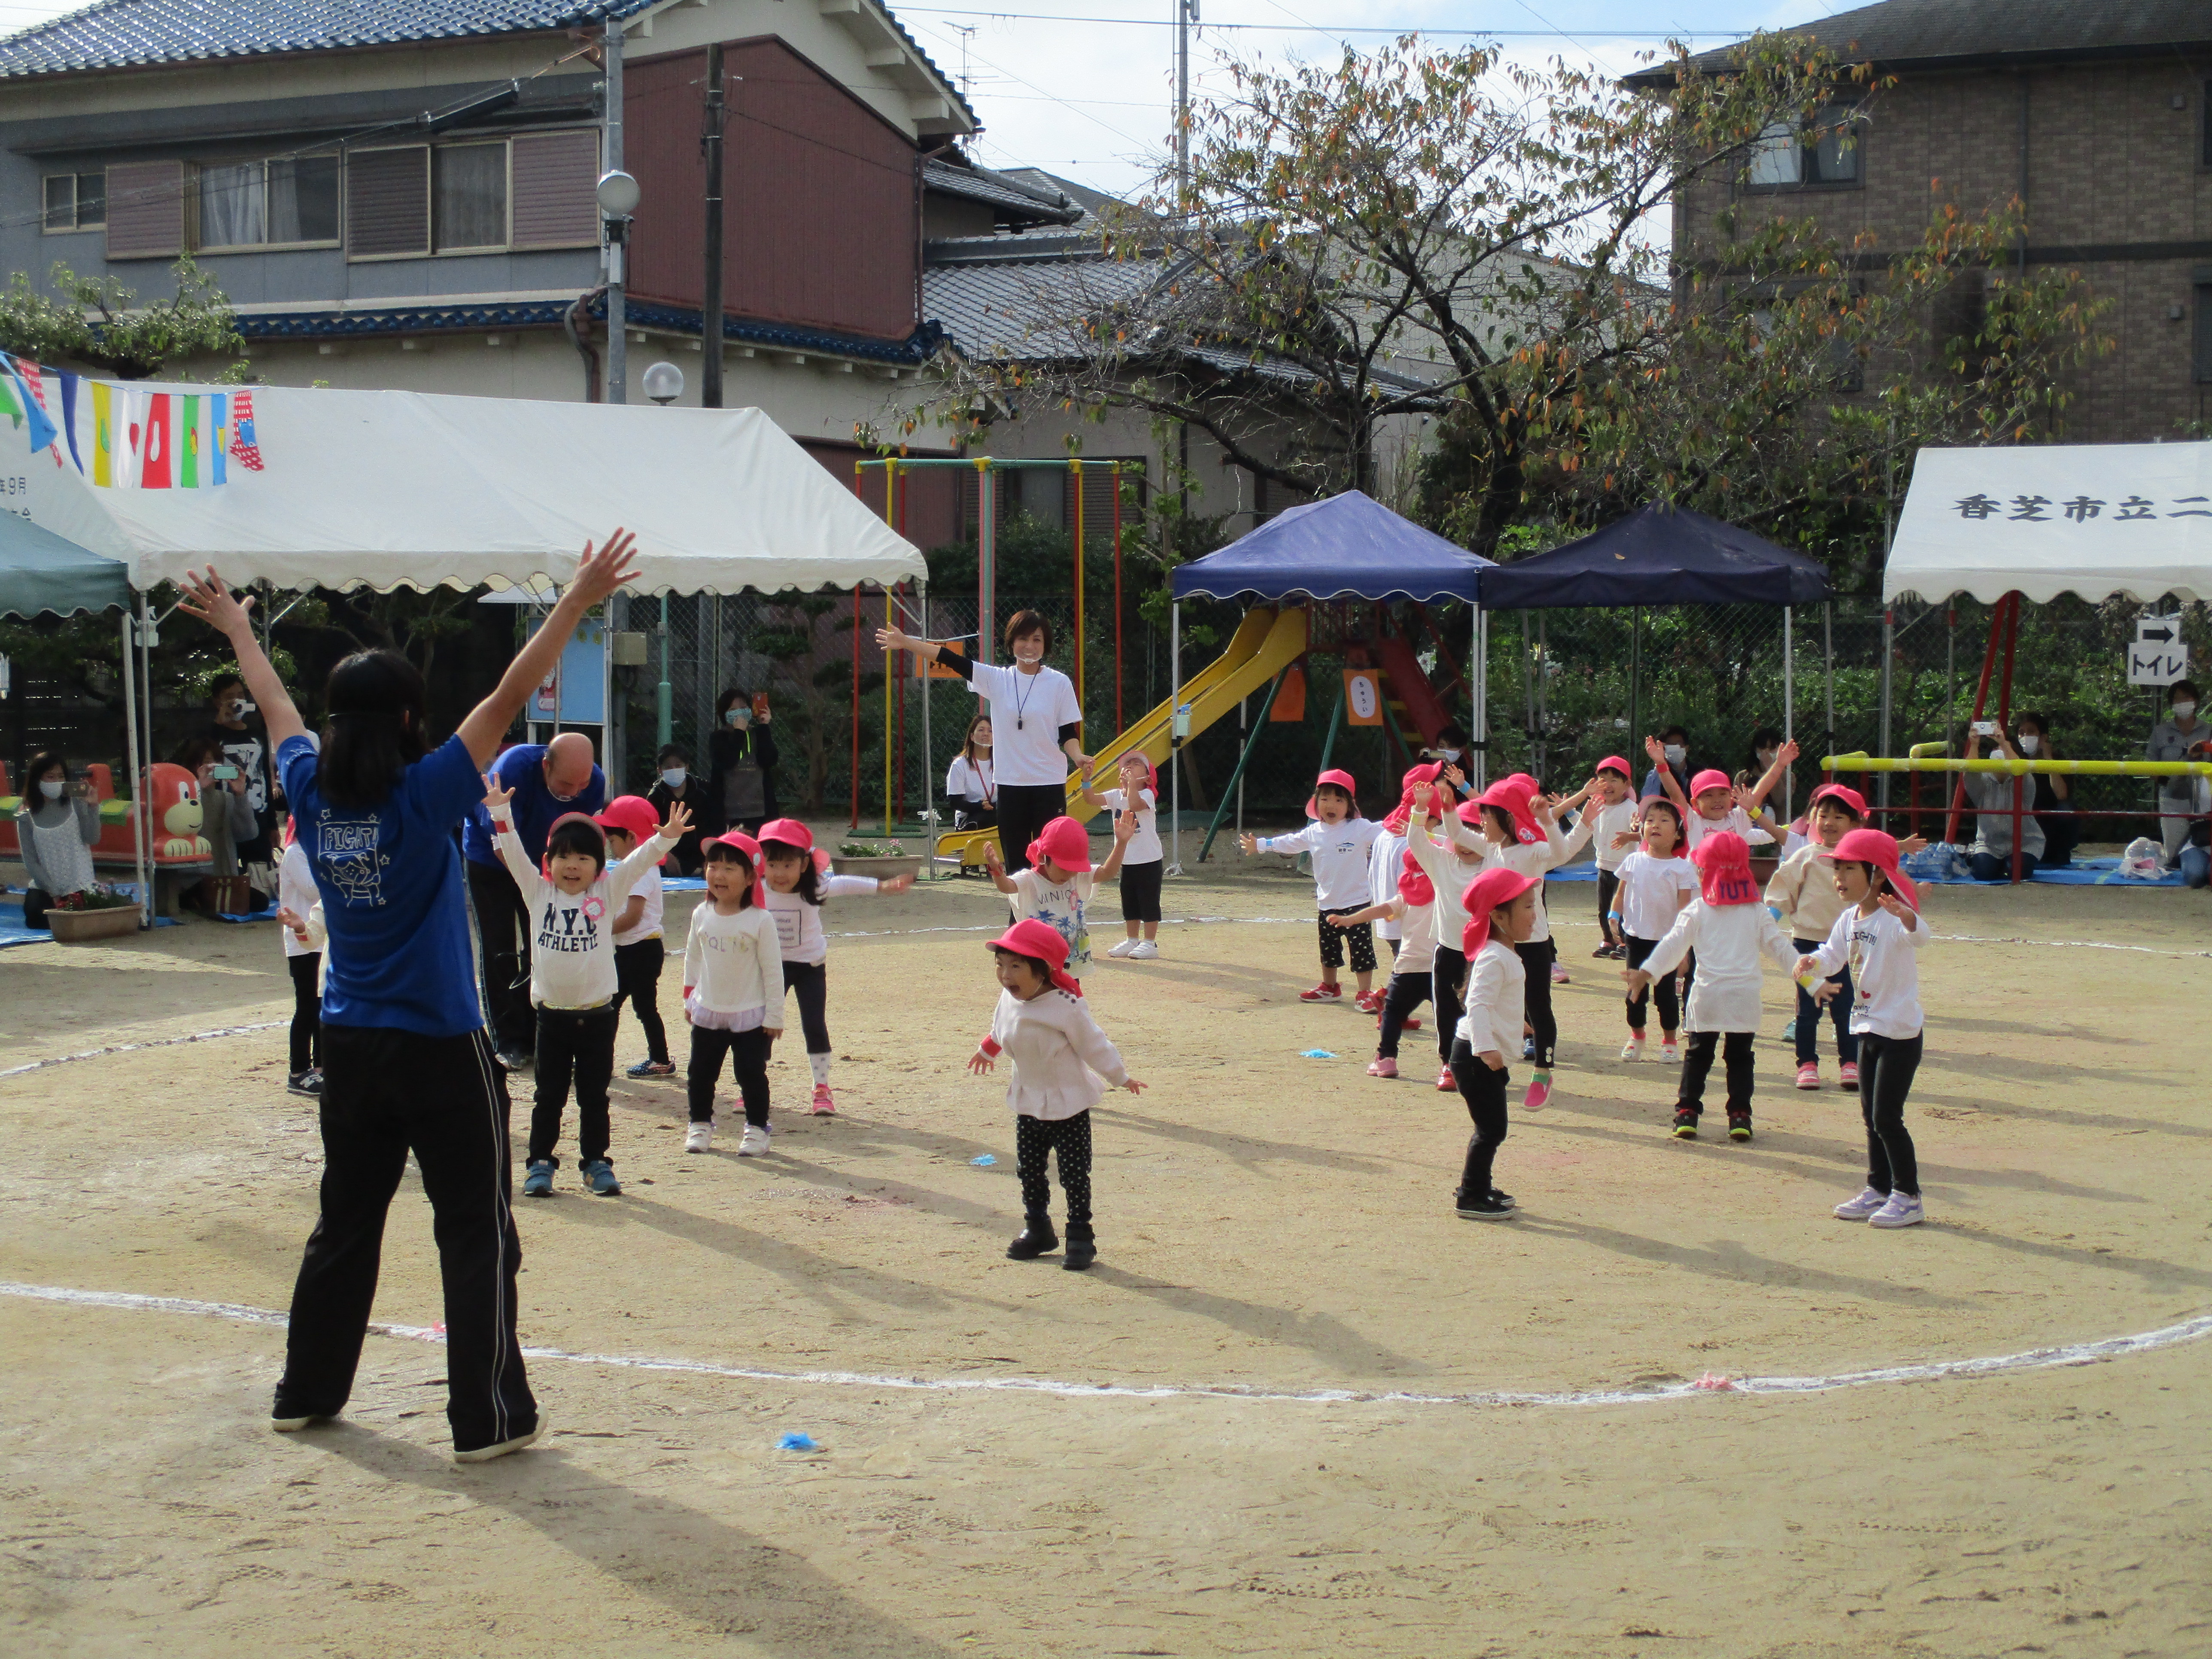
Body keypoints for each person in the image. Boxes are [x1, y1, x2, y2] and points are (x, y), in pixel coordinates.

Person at [180, 528, 638, 1463]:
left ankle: (305, 1392)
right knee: (477, 1232)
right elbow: (510, 695)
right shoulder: (425, 794)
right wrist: (579, 597)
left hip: (350, 1046)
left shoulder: (312, 791)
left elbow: (274, 705)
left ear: (340, 720)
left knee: (344, 1223)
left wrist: (237, 628)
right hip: (439, 1046)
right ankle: (486, 1419)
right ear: (403, 720)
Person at [490, 783, 686, 1199]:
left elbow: (636, 863)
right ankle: (540, 1163)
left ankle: (596, 1162)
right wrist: (501, 816)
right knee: (549, 1097)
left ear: (599, 866)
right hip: (552, 1018)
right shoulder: (537, 893)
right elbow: (514, 857)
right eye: (563, 856)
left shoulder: (607, 891)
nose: (573, 865)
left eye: (584, 857)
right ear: (548, 863)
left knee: (594, 1097)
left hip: (598, 1017)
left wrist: (664, 837)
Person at [967, 917, 1144, 1270]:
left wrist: (1119, 1076)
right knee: (1029, 1171)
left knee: (1074, 1174)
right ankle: (1038, 1230)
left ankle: (1080, 1236)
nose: (1006, 975)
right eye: (1000, 965)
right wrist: (988, 1049)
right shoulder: (1008, 997)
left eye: (1017, 966)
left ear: (1044, 970)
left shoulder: (1066, 1005)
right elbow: (1001, 1028)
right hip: (1029, 1100)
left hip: (1069, 1104)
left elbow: (1094, 1045)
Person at [878, 612, 1089, 872]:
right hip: (1010, 786)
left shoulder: (1059, 682)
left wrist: (1078, 757)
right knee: (1017, 865)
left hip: (1049, 783)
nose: (1030, 646)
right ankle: (1019, 916)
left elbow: (1067, 731)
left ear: (1046, 645)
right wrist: (907, 642)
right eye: (1023, 639)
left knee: (1052, 860)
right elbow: (951, 659)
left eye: (1037, 639)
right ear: (1011, 643)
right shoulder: (997, 679)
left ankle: (1051, 914)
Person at [1623, 831, 1799, 1142]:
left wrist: (1646, 973)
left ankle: (1687, 1112)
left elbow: (1672, 946)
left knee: (1698, 1055)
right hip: (1744, 999)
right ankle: (1740, 1116)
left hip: (1706, 997)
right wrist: (1810, 980)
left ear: (1707, 872)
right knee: (1741, 1057)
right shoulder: (1757, 912)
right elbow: (1780, 949)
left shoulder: (1698, 909)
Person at [1797, 828, 1929, 1229]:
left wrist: (1909, 918)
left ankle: (1909, 1197)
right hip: (1866, 1027)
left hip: (1900, 1034)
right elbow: (1832, 956)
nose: (1839, 876)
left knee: (1888, 1117)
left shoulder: (1894, 917)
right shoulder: (1848, 919)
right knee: (1871, 1117)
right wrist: (1811, 965)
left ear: (1875, 875)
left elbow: (1920, 936)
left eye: (1848, 868)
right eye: (1836, 868)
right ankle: (1878, 1188)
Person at [460, 732, 606, 1070]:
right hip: (491, 859)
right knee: (499, 947)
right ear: (546, 766)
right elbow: (500, 845)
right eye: (567, 784)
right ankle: (508, 1039)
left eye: (582, 784)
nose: (575, 793)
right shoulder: (513, 770)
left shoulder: (592, 782)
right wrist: (535, 887)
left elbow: (586, 841)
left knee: (544, 945)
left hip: (548, 868)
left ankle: (539, 1034)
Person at [754, 817, 914, 1114]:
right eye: (772, 864)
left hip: (810, 967)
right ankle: (753, 1084)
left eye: (788, 865)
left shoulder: (815, 887)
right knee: (762, 1026)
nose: (779, 873)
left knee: (814, 1024)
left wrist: (884, 886)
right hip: (770, 968)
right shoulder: (758, 888)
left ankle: (822, 1088)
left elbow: (845, 883)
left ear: (804, 864)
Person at [1464, 774, 1591, 1110]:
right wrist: (1442, 808)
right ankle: (1499, 1066)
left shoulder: (1533, 851)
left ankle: (1542, 1072)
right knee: (1498, 1003)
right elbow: (1457, 833)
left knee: (1537, 1005)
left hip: (1533, 942)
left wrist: (1552, 819)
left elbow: (1563, 852)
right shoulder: (1491, 848)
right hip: (1498, 942)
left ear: (1507, 818)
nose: (1481, 821)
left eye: (1487, 815)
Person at [1238, 769, 1383, 1003]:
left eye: (1339, 799)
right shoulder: (1314, 832)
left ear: (1350, 805)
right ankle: (1330, 987)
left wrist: (1418, 816)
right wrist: (1262, 845)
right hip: (1327, 904)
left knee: (1362, 950)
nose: (1331, 804)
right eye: (1324, 798)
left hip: (1357, 904)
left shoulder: (1360, 828)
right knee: (1329, 950)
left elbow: (1388, 828)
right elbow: (1291, 842)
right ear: (1316, 803)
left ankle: (1364, 993)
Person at [681, 832, 784, 1155]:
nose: (719, 875)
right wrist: (689, 997)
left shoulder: (760, 920)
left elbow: (773, 970)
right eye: (713, 866)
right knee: (700, 1073)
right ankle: (699, 1125)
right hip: (708, 1010)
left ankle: (756, 1129)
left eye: (729, 868)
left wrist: (774, 1015)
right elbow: (693, 956)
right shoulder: (702, 913)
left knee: (751, 1073)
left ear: (751, 876)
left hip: (750, 1015)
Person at [1448, 866, 1540, 1220]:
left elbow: (1497, 1002)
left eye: (1535, 906)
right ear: (1500, 916)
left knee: (1491, 1128)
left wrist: (1518, 1024)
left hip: (1484, 1058)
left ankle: (1481, 1187)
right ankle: (1470, 1195)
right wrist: (1486, 1049)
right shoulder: (1493, 957)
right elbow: (1478, 1005)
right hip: (1476, 1059)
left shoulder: (1504, 955)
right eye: (1528, 908)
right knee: (1491, 1130)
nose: (1535, 915)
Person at [1765, 783, 1870, 1091]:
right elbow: (1782, 890)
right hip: (1808, 944)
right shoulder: (1806, 856)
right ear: (1812, 818)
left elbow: (1872, 891)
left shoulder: (1860, 860)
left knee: (1847, 1006)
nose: (1829, 822)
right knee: (1808, 1010)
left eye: (1839, 817)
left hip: (1848, 946)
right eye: (1823, 814)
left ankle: (1850, 1063)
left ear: (1856, 824)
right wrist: (1769, 920)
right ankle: (1807, 1064)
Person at [1405, 782, 1495, 1091]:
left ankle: (1483, 1061)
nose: (1465, 843)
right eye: (1459, 835)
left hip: (1487, 952)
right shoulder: (1440, 862)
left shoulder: (1495, 864)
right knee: (1447, 1010)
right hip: (1450, 950)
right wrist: (1420, 807)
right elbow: (1416, 840)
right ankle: (1449, 1064)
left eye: (1473, 834)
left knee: (1483, 1008)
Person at [592, 797, 677, 1080]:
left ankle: (657, 1059)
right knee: (621, 1005)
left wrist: (601, 930)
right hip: (637, 950)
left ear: (630, 838)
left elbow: (634, 915)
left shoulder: (640, 871)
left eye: (612, 839)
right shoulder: (642, 867)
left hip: (641, 950)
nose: (610, 846)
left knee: (632, 1007)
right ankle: (609, 1057)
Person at [987, 812, 1131, 976]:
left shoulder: (1076, 877)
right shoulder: (1029, 880)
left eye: (1075, 868)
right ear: (1043, 857)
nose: (1070, 874)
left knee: (1070, 999)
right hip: (1038, 966)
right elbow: (1007, 887)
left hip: (1070, 964)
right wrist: (997, 872)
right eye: (1064, 867)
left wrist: (1122, 843)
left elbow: (1107, 873)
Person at [1609, 797, 1697, 1063]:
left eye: (1664, 820)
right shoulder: (1633, 861)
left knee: (1666, 996)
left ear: (1678, 832)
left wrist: (1683, 949)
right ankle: (1637, 1035)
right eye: (1650, 820)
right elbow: (1621, 894)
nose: (1655, 825)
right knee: (1635, 993)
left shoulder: (1682, 867)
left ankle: (1670, 1040)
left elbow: (1685, 910)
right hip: (1636, 940)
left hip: (1668, 944)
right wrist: (1614, 917)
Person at [1081, 750, 1164, 959]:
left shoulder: (1146, 795)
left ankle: (1150, 943)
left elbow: (1135, 805)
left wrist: (1131, 787)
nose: (1130, 766)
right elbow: (1090, 799)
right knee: (1129, 900)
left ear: (1147, 776)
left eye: (1137, 765)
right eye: (1127, 765)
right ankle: (1132, 940)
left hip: (1149, 859)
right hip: (1127, 859)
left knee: (1149, 901)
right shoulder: (1116, 795)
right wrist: (1086, 779)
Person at [173, 734, 263, 914]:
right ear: (194, 766)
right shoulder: (183, 799)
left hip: (226, 879)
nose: (214, 766)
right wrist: (199, 791)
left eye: (217, 761)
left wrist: (240, 796)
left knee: (260, 902)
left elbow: (248, 834)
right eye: (207, 762)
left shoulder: (228, 798)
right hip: (193, 879)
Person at [12, 751, 99, 930]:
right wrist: (53, 892)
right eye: (50, 777)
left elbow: (92, 838)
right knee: (35, 915)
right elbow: (31, 861)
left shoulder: (76, 804)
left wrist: (92, 807)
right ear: (38, 780)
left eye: (61, 777)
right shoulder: (27, 818)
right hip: (46, 887)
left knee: (84, 914)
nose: (56, 782)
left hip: (78, 883)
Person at [205, 672, 276, 869]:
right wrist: (219, 724)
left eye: (240, 695)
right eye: (229, 696)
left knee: (260, 873)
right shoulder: (212, 733)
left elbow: (263, 775)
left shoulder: (257, 734)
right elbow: (205, 763)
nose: (236, 701)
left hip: (257, 815)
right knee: (225, 871)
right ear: (217, 702)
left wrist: (272, 824)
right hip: (224, 817)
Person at [275, 816, 323, 1097]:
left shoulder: (315, 853)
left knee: (321, 1006)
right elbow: (313, 888)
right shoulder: (295, 853)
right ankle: (298, 1070)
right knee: (306, 1006)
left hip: (319, 938)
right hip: (301, 942)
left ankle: (320, 1066)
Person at [1961, 722, 2042, 881]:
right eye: (1995, 749)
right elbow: (1970, 770)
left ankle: (2009, 863)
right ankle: (1982, 860)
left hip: (2024, 842)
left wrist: (2003, 742)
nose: (1999, 752)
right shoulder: (1983, 782)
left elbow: (2018, 767)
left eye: (2003, 750)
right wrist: (1974, 744)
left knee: (2017, 872)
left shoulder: (2024, 781)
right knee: (1984, 873)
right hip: (1989, 844)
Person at [2145, 680, 2207, 866]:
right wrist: (2165, 780)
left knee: (2203, 845)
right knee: (2173, 857)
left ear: (2196, 701)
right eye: (2177, 699)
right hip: (2172, 799)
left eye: (2186, 698)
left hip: (2204, 802)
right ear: (2172, 704)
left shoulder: (2209, 730)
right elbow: (2150, 764)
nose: (2182, 703)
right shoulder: (2160, 732)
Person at [705, 688, 780, 836]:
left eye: (744, 708)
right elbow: (727, 761)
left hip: (760, 809)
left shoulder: (758, 734)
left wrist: (764, 726)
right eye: (733, 709)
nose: (739, 712)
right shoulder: (718, 738)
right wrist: (739, 733)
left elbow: (769, 760)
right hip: (730, 812)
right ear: (724, 714)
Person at [1587, 757, 1638, 960]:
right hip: (1603, 866)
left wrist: (1631, 835)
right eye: (1603, 779)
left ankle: (1625, 942)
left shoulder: (1632, 809)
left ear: (1627, 784)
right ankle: (1608, 940)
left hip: (1625, 868)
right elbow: (1585, 825)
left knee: (1623, 908)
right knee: (1604, 908)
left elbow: (1641, 833)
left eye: (1614, 780)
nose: (1608, 785)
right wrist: (1570, 812)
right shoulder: (1596, 806)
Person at [2012, 712, 2076, 869]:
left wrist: (2048, 761)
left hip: (2051, 817)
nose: (2026, 736)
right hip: (2025, 817)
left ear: (2044, 736)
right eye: (2022, 733)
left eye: (2031, 732)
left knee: (2066, 810)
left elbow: (2062, 795)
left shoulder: (2058, 760)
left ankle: (2060, 854)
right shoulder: (2016, 759)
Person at [647, 746, 708, 876]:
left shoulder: (704, 791)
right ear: (660, 771)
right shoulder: (655, 797)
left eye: (678, 765)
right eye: (668, 767)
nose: (674, 770)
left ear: (687, 767)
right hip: (670, 858)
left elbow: (715, 825)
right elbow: (650, 832)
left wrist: (711, 855)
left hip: (702, 855)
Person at [946, 715, 998, 830]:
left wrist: (994, 807)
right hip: (970, 819)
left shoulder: (1001, 763)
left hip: (996, 814)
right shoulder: (960, 764)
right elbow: (955, 803)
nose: (986, 734)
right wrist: (980, 807)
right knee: (985, 820)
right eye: (981, 730)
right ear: (972, 737)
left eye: (990, 731)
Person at [1640, 725, 1693, 802]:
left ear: (1686, 748)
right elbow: (1649, 800)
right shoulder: (1656, 775)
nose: (1674, 748)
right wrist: (1659, 762)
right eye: (1670, 745)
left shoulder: (1699, 772)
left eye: (1677, 744)